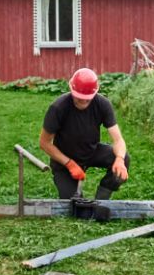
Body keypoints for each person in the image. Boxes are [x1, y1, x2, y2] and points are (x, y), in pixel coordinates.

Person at [39, 68, 128, 214]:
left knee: (124, 159)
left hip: (91, 151)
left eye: (87, 97)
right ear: (71, 89)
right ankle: (79, 200)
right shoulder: (58, 108)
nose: (83, 100)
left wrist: (119, 159)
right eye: (79, 96)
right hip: (64, 158)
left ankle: (102, 200)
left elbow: (118, 140)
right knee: (73, 207)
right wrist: (70, 163)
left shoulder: (103, 104)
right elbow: (44, 143)